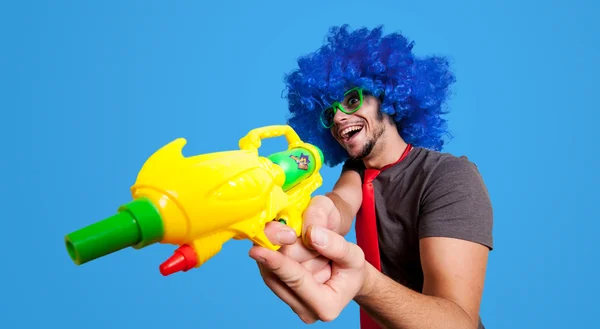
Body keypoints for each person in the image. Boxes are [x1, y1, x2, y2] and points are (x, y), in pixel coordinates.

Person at [248, 25, 494, 329]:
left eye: (351, 101)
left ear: (388, 96)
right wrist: (313, 220)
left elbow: (458, 323)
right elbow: (341, 204)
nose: (338, 118)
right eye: (328, 114)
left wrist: (362, 281)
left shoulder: (449, 176)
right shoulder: (356, 171)